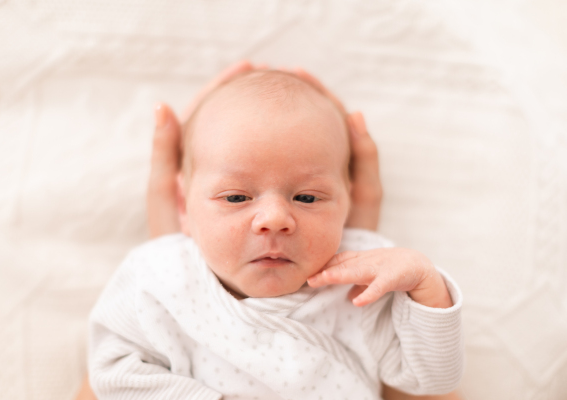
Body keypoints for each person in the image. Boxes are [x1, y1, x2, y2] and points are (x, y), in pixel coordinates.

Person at [75, 62, 463, 400]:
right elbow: (112, 374)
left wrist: (428, 291)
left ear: (348, 201)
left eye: (308, 198)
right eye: (236, 197)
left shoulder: (365, 279)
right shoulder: (161, 274)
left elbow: (430, 380)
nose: (275, 219)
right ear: (184, 207)